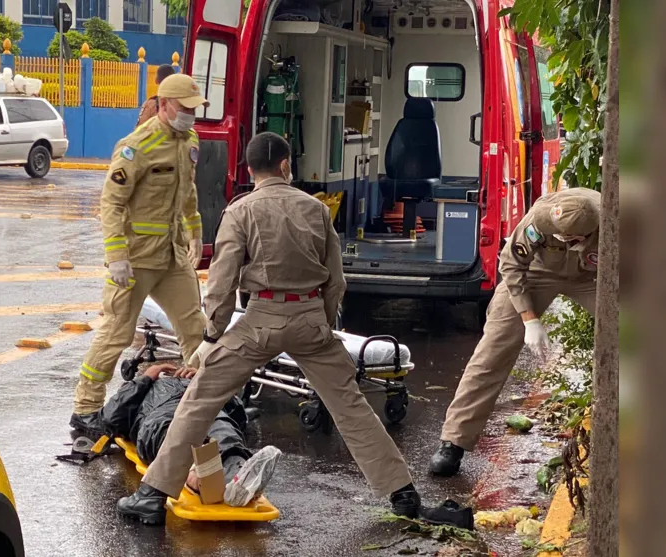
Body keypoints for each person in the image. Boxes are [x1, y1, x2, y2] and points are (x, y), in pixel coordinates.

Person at [117, 132, 473, 529]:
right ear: (286, 165)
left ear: (250, 170)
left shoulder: (240, 211)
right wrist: (319, 321)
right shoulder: (316, 210)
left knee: (199, 401)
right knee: (352, 409)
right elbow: (336, 281)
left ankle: (152, 496)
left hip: (259, 320)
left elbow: (221, 282)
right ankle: (403, 495)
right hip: (309, 319)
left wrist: (213, 335)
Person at [69, 73, 209, 437]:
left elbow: (188, 190)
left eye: (195, 109)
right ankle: (86, 409)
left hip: (172, 255)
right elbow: (111, 202)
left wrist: (194, 228)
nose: (190, 115)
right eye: (184, 108)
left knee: (195, 326)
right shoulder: (137, 146)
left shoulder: (189, 139)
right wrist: (116, 256)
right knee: (117, 332)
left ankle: (202, 399)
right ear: (164, 105)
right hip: (136, 258)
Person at [430, 188, 600, 476]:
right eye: (557, 235)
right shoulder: (542, 217)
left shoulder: (617, 222)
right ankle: (454, 441)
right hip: (536, 272)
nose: (561, 239)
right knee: (494, 347)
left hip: (593, 277)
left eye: (568, 239)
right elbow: (511, 263)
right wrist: (529, 319)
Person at [102, 363, 280, 509]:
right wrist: (146, 378)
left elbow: (238, 415)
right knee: (176, 434)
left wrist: (208, 382)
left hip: (204, 410)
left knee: (221, 425)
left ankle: (237, 474)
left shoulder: (199, 383)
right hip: (162, 416)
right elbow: (110, 417)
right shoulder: (144, 387)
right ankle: (198, 475)